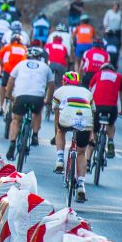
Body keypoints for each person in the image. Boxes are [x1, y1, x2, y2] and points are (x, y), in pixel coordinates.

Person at [5, 47, 54, 160]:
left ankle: (12, 143)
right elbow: (51, 86)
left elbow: (11, 81)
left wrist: (8, 95)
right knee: (37, 113)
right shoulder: (45, 67)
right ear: (39, 57)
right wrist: (48, 101)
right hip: (37, 97)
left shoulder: (20, 64)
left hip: (21, 96)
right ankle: (35, 135)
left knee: (16, 120)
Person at [52, 72, 93, 202]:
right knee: (81, 153)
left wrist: (57, 133)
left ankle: (59, 160)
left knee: (61, 131)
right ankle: (81, 185)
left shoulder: (59, 91)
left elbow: (57, 116)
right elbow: (93, 113)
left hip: (67, 118)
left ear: (64, 82)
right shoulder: (87, 92)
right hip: (85, 120)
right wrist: (91, 135)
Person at [88, 62, 122, 159]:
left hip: (97, 106)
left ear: (102, 69)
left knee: (94, 129)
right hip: (111, 107)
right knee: (110, 124)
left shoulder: (97, 75)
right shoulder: (119, 76)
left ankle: (88, 160)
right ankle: (110, 141)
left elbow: (89, 92)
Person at [0, 34, 28, 115]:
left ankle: (1, 106)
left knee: (3, 86)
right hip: (20, 71)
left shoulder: (7, 47)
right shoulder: (24, 49)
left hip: (8, 70)